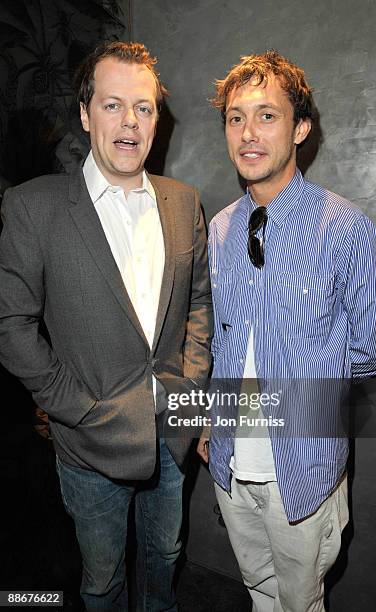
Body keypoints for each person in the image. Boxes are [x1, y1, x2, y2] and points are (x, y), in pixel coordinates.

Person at [0, 41, 212, 611]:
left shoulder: (183, 201)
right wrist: (76, 406)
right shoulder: (33, 206)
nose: (129, 122)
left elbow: (198, 305)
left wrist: (188, 388)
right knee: (102, 580)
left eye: (143, 108)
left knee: (164, 564)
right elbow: (10, 327)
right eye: (113, 105)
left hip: (171, 434)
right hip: (88, 441)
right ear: (85, 113)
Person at [198, 50, 376, 611]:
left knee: (302, 602)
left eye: (267, 115)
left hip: (306, 470)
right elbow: (223, 339)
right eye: (236, 118)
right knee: (259, 594)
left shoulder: (346, 227)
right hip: (232, 466)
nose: (248, 133)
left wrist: (311, 384)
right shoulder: (220, 229)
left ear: (301, 127)